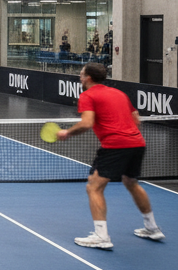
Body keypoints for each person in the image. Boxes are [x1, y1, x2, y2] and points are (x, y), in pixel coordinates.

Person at [56, 62, 164, 249]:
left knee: (94, 187)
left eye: (81, 75)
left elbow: (87, 123)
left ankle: (101, 236)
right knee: (131, 182)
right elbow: (136, 119)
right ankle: (152, 228)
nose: (79, 78)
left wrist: (67, 133)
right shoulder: (119, 93)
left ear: (89, 78)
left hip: (115, 145)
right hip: (137, 143)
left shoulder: (87, 95)